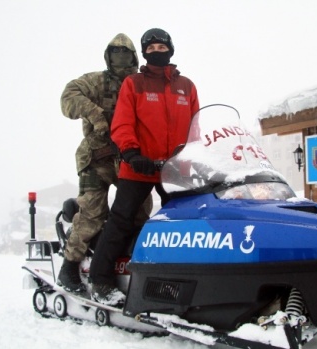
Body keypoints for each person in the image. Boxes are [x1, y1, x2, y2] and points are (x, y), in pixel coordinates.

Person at [89, 28, 200, 306]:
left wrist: (197, 154)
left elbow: (197, 125)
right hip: (139, 165)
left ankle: (190, 277)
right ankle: (100, 280)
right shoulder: (134, 83)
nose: (156, 52)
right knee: (121, 220)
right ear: (144, 53)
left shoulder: (186, 86)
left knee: (188, 221)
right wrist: (131, 151)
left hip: (175, 169)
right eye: (150, 49)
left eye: (162, 47)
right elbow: (123, 121)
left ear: (170, 50)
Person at [57, 33, 153, 294]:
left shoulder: (140, 84)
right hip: (96, 158)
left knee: (140, 215)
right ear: (108, 57)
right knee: (92, 214)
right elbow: (68, 97)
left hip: (129, 160)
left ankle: (123, 267)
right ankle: (69, 266)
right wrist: (96, 114)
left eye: (126, 55)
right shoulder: (95, 81)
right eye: (116, 54)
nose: (121, 59)